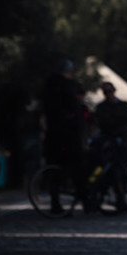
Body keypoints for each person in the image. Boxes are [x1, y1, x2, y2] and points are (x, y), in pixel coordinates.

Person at [42, 58, 86, 213]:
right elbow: (73, 108)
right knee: (77, 166)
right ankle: (85, 199)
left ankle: (55, 203)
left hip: (53, 135)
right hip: (68, 135)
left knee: (55, 170)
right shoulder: (68, 86)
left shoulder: (49, 85)